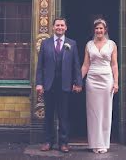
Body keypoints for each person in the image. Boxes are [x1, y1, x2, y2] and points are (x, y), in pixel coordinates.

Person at [35, 17, 82, 153]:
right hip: (49, 85)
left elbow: (76, 65)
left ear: (66, 28)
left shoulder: (71, 44)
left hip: (65, 85)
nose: (59, 27)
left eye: (62, 25)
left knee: (64, 116)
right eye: (57, 25)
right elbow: (40, 66)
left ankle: (63, 143)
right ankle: (48, 142)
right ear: (53, 27)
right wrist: (39, 83)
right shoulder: (45, 43)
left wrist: (77, 82)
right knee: (48, 115)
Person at [80, 18, 118, 154]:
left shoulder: (112, 44)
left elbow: (114, 64)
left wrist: (116, 82)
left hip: (107, 79)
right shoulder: (89, 45)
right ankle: (94, 143)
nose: (99, 31)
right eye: (97, 28)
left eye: (101, 28)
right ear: (94, 30)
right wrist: (79, 80)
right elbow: (86, 65)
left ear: (105, 30)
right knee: (93, 112)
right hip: (92, 80)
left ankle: (104, 143)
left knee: (106, 111)